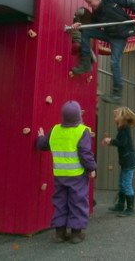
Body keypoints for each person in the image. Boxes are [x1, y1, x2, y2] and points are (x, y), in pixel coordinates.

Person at [70, 0, 135, 104]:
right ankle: (85, 63)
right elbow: (92, 25)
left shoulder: (112, 0)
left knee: (114, 61)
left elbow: (130, 2)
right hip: (109, 34)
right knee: (86, 31)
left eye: (90, 2)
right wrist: (79, 25)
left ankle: (117, 94)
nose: (90, 5)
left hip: (120, 36)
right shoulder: (96, 12)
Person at [36, 101, 96, 243]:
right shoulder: (82, 131)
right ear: (78, 117)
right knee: (78, 201)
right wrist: (92, 168)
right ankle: (76, 234)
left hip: (60, 175)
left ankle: (59, 233)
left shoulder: (55, 130)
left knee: (60, 201)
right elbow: (85, 153)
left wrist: (40, 137)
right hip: (77, 175)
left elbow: (43, 145)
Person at [102, 107, 135, 216]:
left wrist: (110, 140)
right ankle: (120, 204)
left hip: (128, 161)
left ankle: (130, 209)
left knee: (126, 184)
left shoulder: (124, 129)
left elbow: (122, 143)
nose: (114, 118)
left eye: (116, 116)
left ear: (121, 118)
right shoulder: (122, 129)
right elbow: (121, 143)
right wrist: (111, 142)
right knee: (122, 183)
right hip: (126, 161)